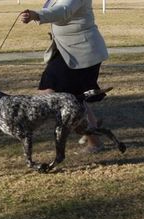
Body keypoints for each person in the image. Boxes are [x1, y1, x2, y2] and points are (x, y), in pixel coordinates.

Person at [20, 0, 109, 153]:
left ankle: (92, 136)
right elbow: (54, 9)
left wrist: (36, 14)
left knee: (51, 94)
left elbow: (63, 11)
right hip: (67, 51)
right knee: (73, 98)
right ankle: (92, 132)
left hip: (82, 52)